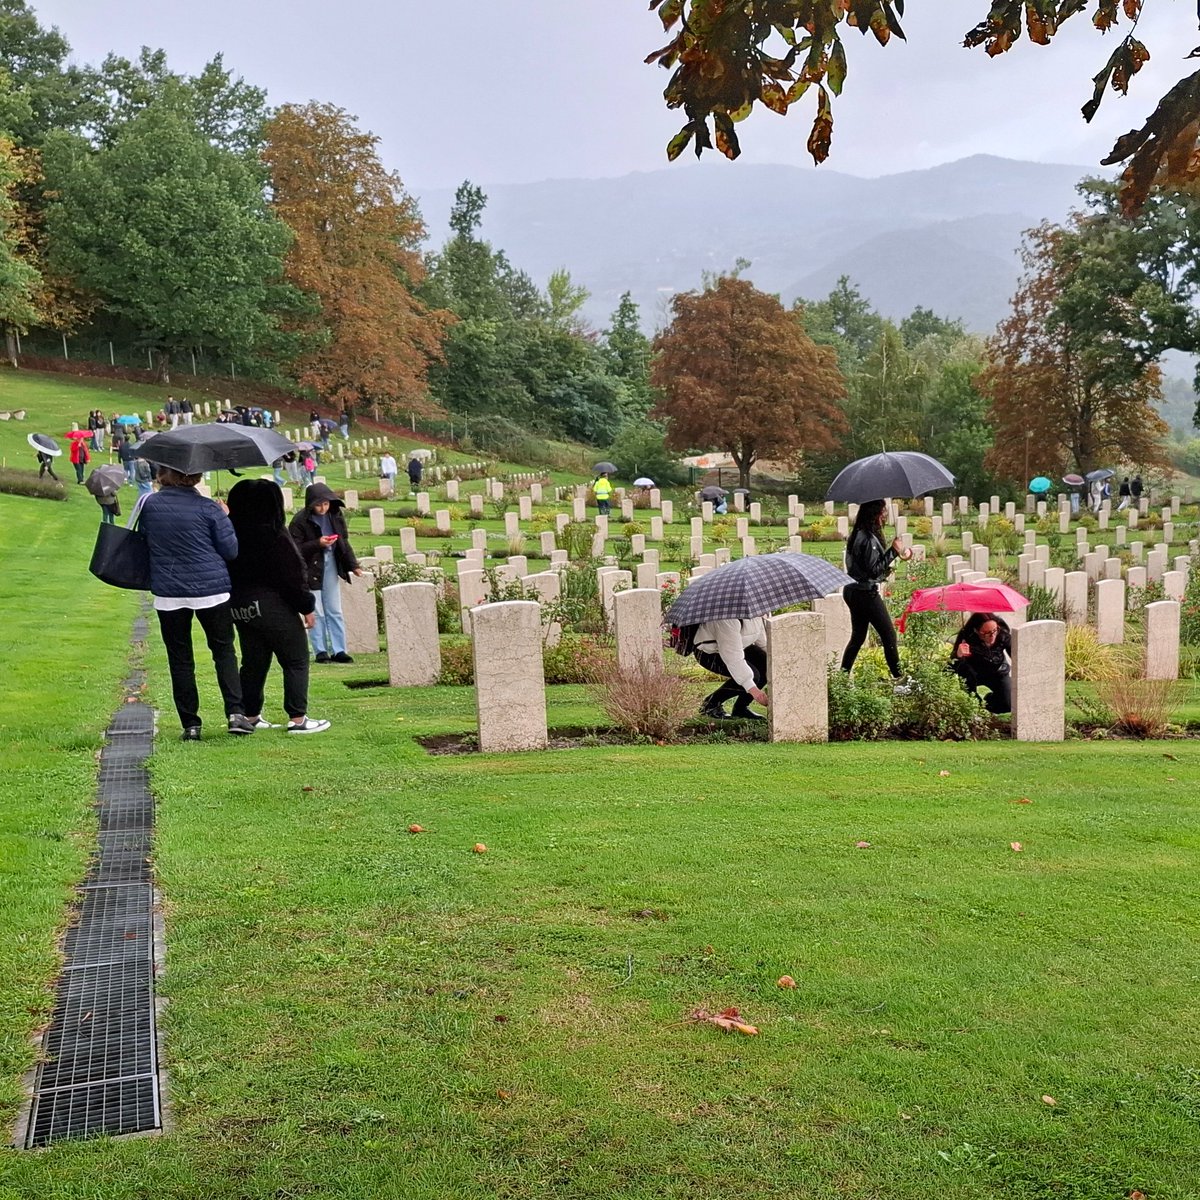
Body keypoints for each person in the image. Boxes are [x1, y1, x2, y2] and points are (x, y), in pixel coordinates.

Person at [137, 466, 255, 740]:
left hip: (169, 592)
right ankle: (236, 713)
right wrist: (225, 517)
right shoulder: (208, 508)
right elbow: (230, 550)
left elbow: (146, 540)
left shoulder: (150, 505)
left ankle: (191, 724)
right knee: (223, 651)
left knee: (180, 660)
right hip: (211, 590)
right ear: (196, 476)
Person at [227, 480, 330, 734]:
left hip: (239, 604)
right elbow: (293, 574)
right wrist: (306, 606)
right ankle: (298, 718)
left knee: (253, 661)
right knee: (295, 658)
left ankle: (250, 716)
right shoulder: (274, 534)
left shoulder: (230, 532)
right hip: (272, 603)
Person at [840, 498, 913, 687]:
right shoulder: (868, 539)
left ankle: (841, 678)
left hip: (852, 590)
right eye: (883, 512)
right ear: (875, 514)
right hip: (865, 593)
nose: (885, 515)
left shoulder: (857, 533)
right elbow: (874, 570)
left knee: (858, 637)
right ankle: (900, 680)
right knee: (889, 635)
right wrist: (893, 552)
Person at [289, 482, 363, 664]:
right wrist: (318, 543)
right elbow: (294, 549)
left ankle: (339, 650)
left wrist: (353, 565)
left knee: (334, 609)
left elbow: (344, 541)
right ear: (310, 504)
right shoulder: (299, 521)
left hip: (330, 565)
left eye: (326, 504)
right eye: (318, 504)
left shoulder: (335, 515)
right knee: (317, 610)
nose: (323, 508)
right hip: (309, 568)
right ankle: (320, 650)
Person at [693, 617, 769, 721]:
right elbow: (734, 659)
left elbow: (763, 643)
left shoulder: (755, 615)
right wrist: (755, 692)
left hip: (739, 646)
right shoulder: (725, 619)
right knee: (752, 676)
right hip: (709, 652)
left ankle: (741, 709)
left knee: (766, 666)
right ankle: (710, 704)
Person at [949, 613, 1012, 714]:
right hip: (974, 674)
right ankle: (978, 709)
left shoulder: (1002, 633)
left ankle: (989, 701)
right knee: (974, 705)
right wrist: (958, 655)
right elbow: (950, 668)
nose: (992, 636)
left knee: (1008, 704)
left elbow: (1017, 655)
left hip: (998, 671)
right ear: (976, 631)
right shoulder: (966, 637)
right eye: (986, 633)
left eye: (994, 630)